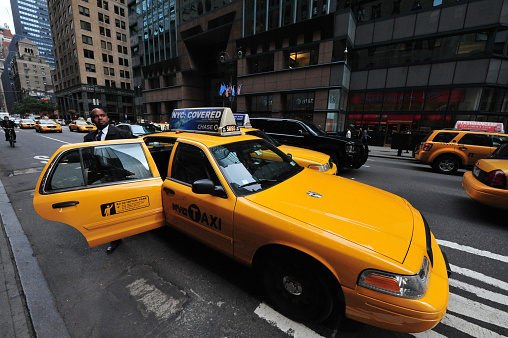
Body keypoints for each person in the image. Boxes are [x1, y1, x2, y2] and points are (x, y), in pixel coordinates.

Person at [84, 108, 133, 253]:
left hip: (118, 177)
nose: (100, 119)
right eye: (96, 117)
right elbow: (87, 157)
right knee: (105, 209)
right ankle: (112, 235)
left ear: (107, 117)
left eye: (102, 115)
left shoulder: (122, 134)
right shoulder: (88, 138)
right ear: (92, 120)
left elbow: (139, 145)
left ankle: (117, 236)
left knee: (117, 209)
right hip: (99, 178)